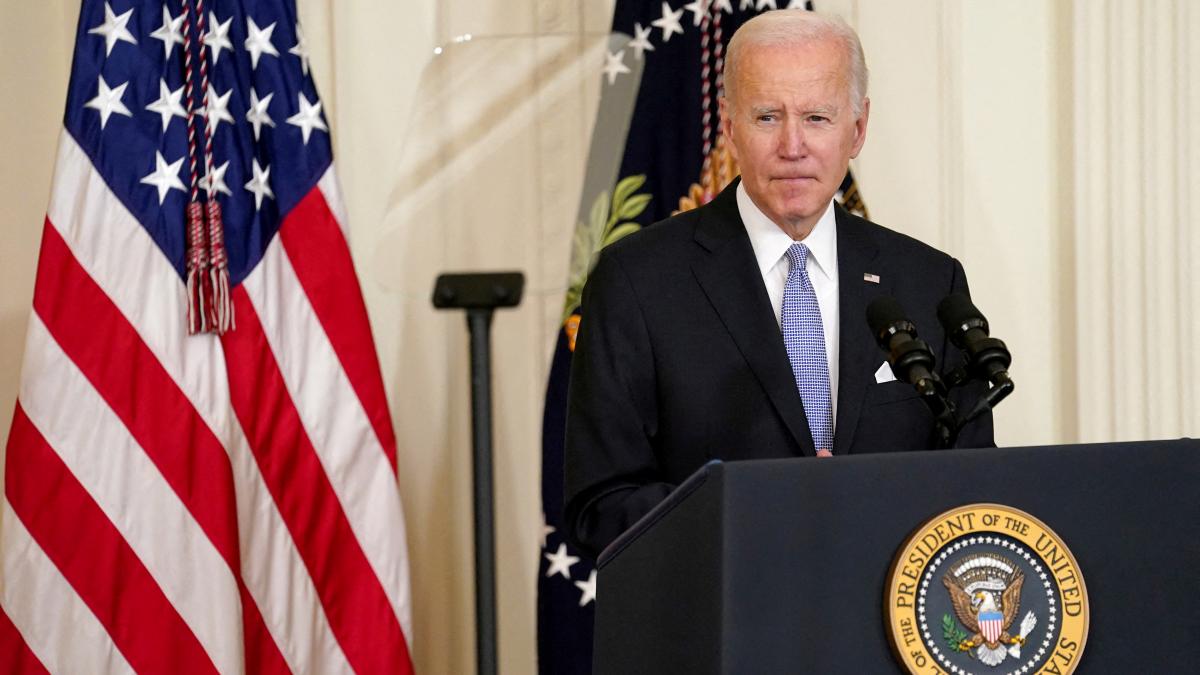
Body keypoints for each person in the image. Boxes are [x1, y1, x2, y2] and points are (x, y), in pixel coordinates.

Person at [564, 9, 993, 559]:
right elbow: (599, 502)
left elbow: (975, 484)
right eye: (767, 116)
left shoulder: (930, 281)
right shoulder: (636, 281)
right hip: (719, 625)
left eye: (817, 117)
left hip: (888, 626)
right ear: (729, 126)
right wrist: (755, 512)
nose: (793, 146)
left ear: (858, 129)